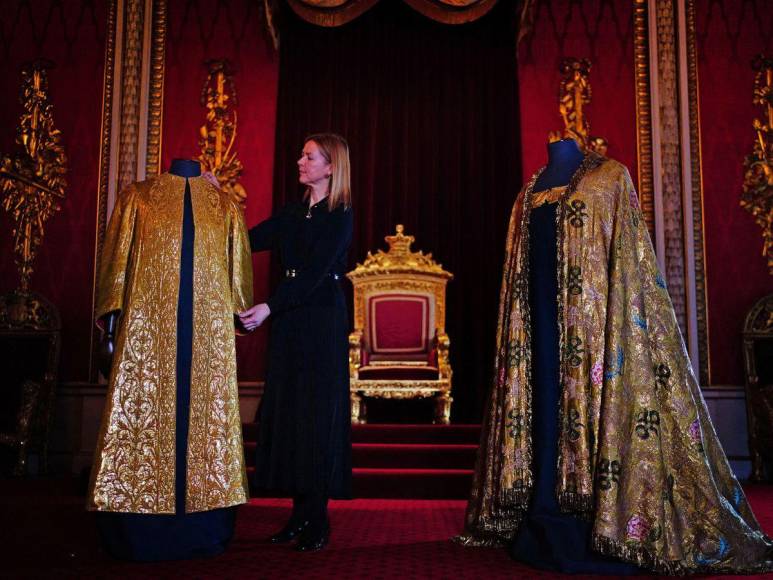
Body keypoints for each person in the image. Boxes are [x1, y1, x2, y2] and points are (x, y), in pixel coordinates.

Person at [455, 139, 773, 574]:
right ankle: (545, 502)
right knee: (546, 411)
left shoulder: (610, 177)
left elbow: (628, 262)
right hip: (538, 331)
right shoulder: (526, 193)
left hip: (597, 334)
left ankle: (601, 513)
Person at [90, 158, 253, 561]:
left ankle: (201, 522)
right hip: (149, 329)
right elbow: (116, 264)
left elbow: (239, 277)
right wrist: (111, 321)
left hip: (206, 335)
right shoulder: (139, 197)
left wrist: (238, 312)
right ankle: (139, 523)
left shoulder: (224, 205)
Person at [240, 133, 353, 552]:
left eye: (309, 156)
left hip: (320, 319)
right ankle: (297, 515)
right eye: (302, 154)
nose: (300, 161)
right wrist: (211, 202)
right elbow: (245, 239)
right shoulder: (291, 213)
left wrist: (269, 307)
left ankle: (317, 519)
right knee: (291, 413)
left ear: (329, 166)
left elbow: (314, 275)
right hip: (290, 318)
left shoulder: (340, 215)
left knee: (316, 415)